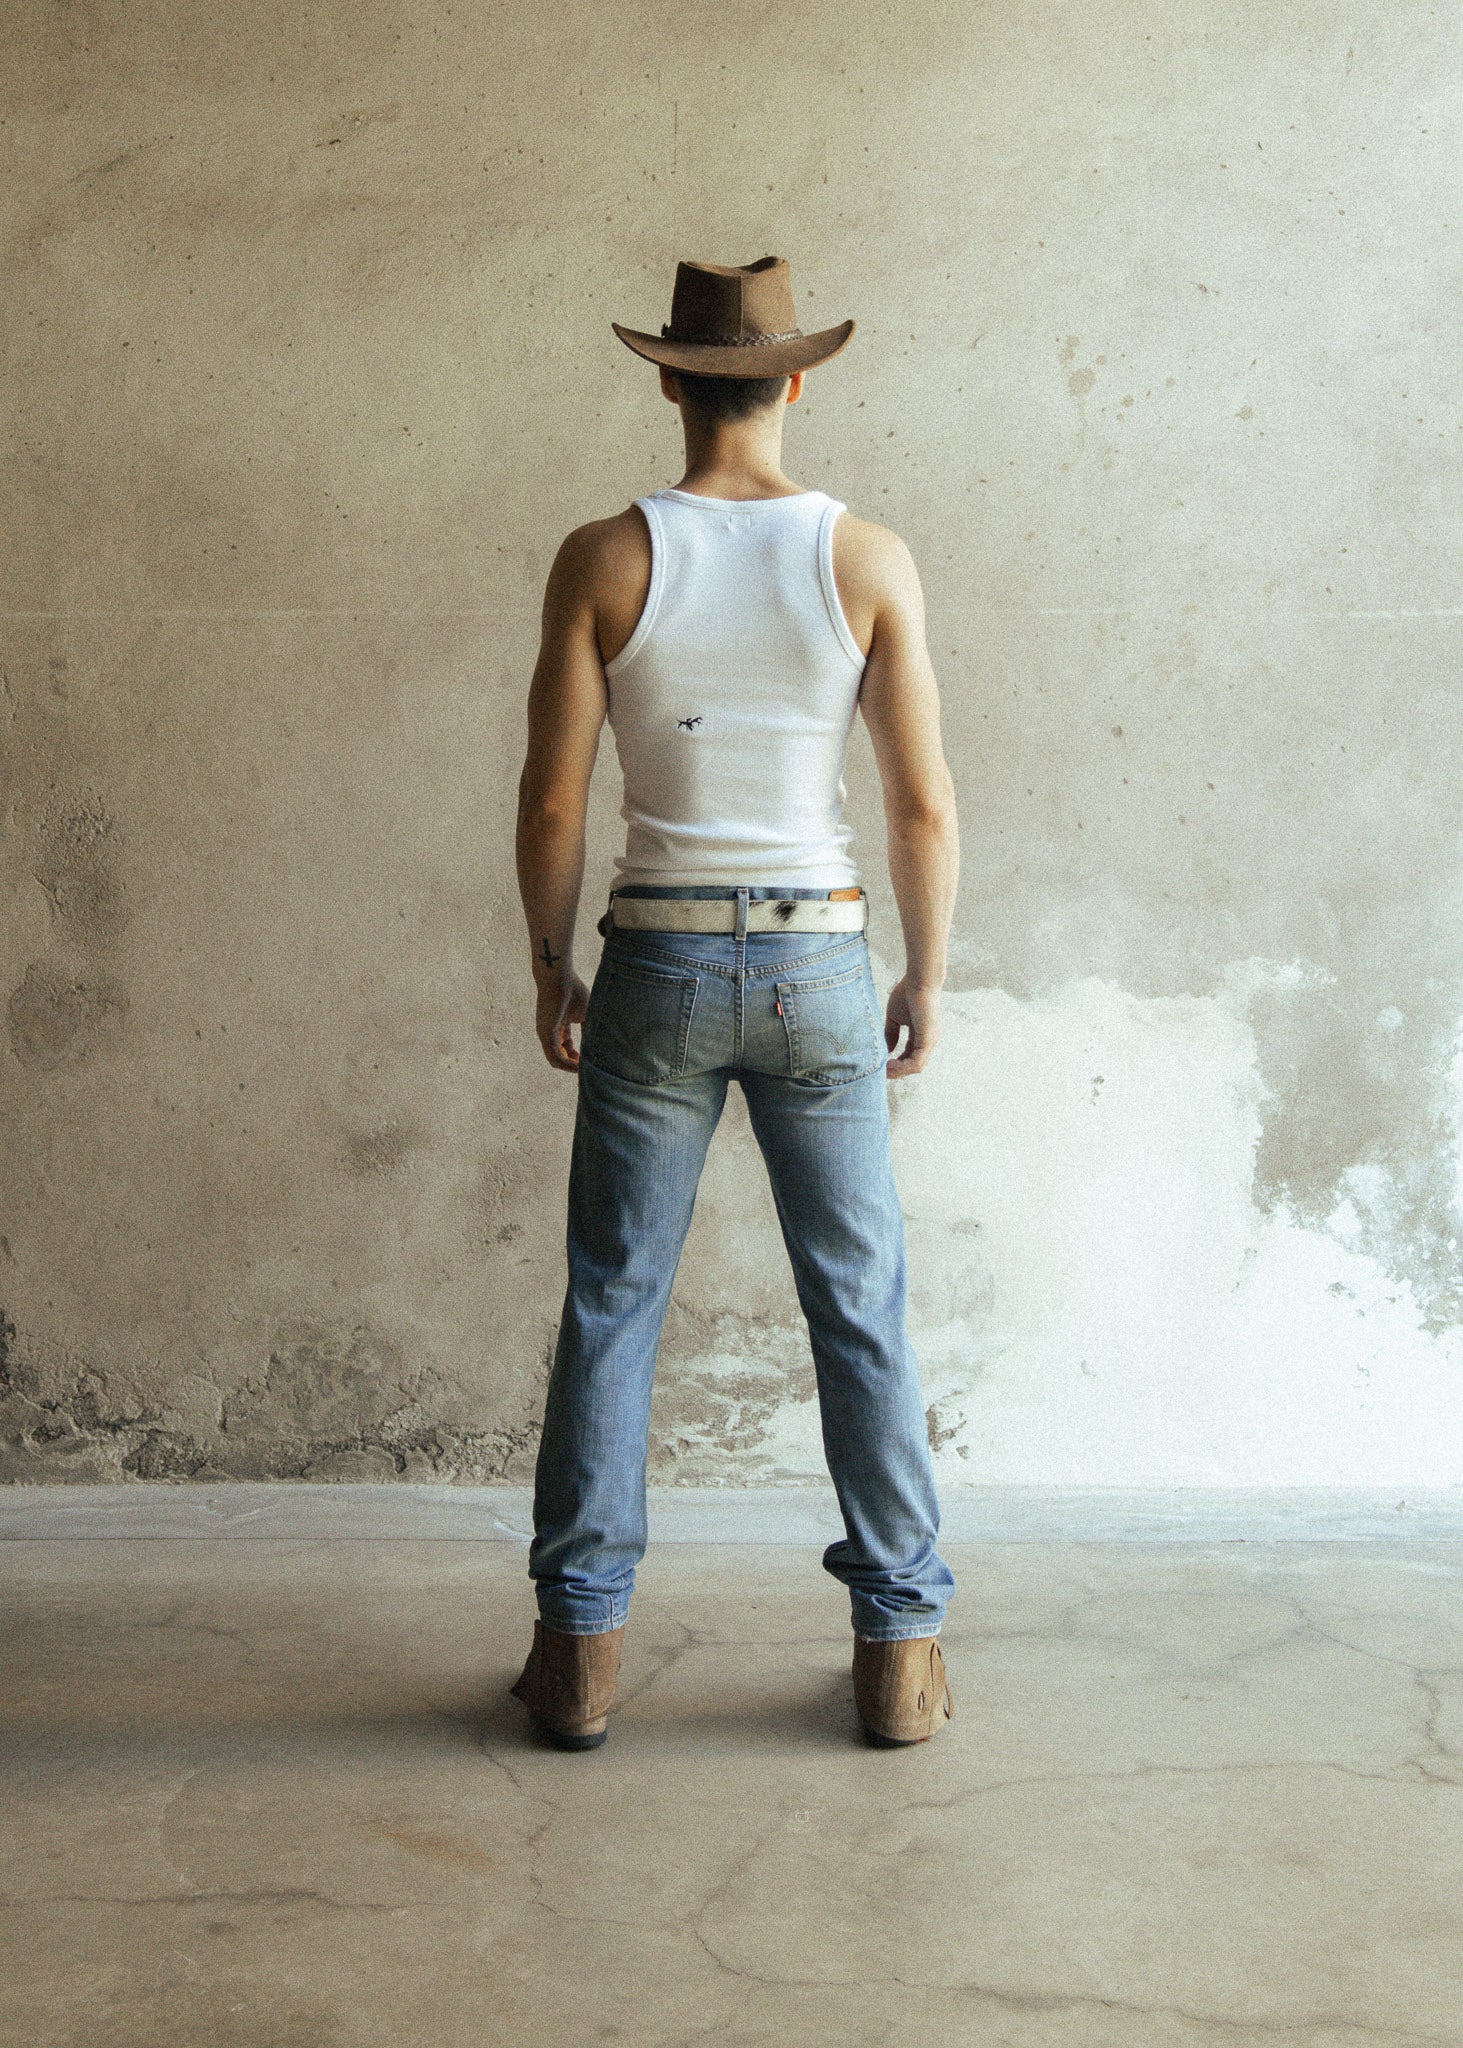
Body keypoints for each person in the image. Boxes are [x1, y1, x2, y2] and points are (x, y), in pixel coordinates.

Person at [510, 256, 958, 1751]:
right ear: (797, 378)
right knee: (860, 1305)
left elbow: (555, 798)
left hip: (658, 959)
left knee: (614, 1301)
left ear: (668, 379)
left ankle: (579, 1655)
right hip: (821, 961)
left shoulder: (603, 558)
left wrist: (548, 960)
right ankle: (901, 1656)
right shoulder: (868, 557)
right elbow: (920, 803)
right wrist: (924, 973)